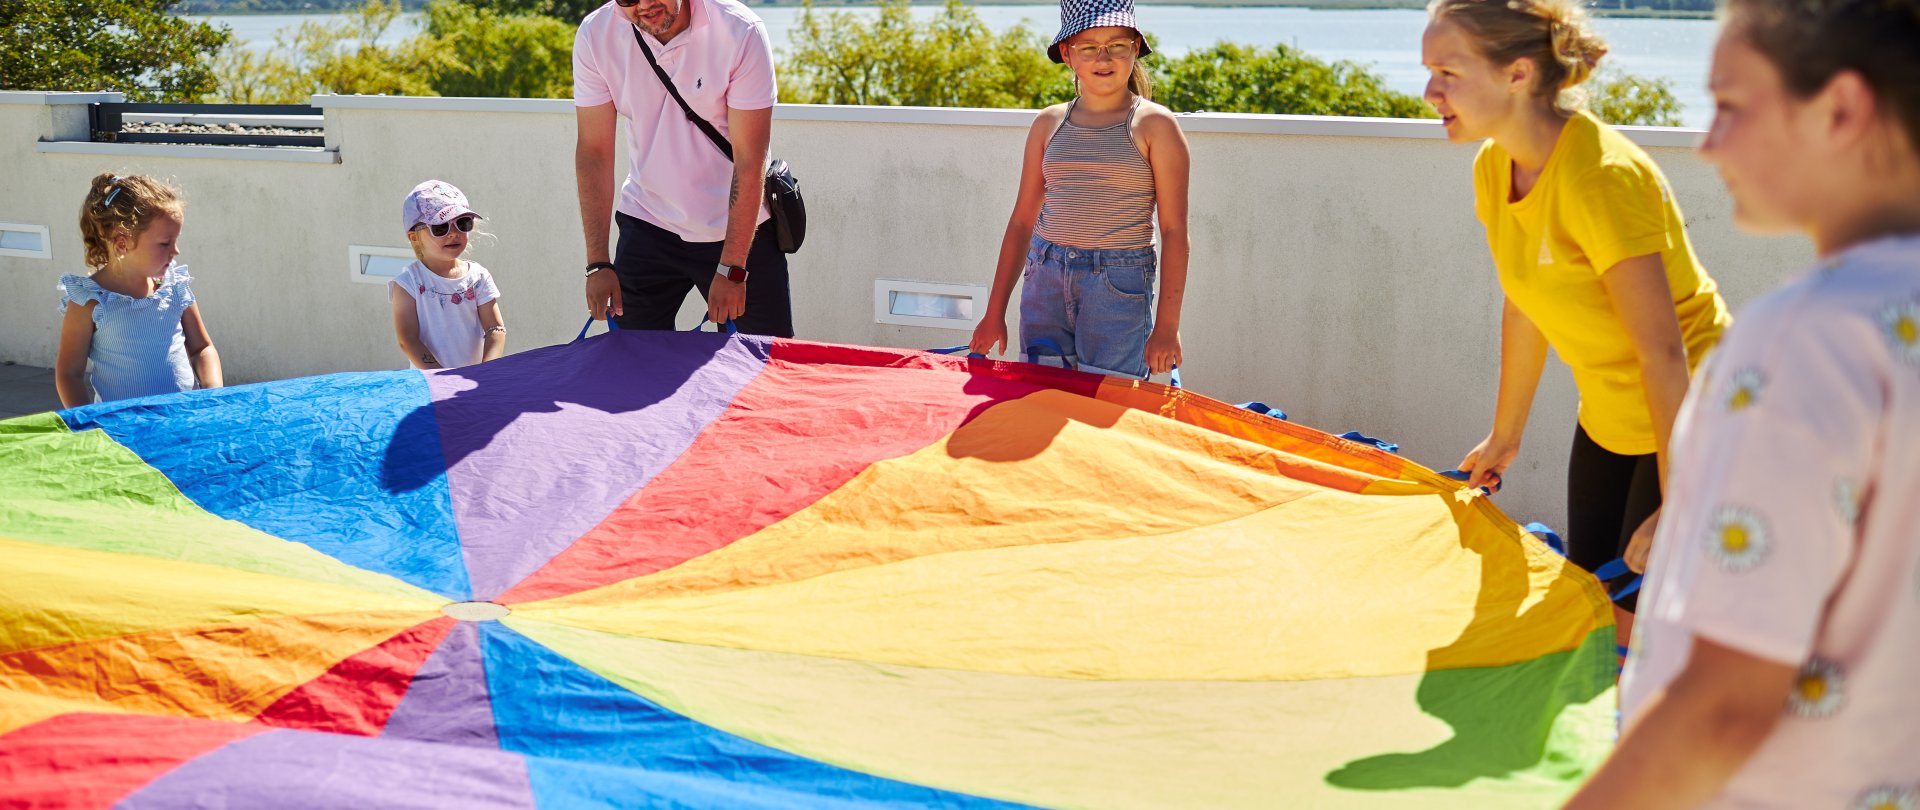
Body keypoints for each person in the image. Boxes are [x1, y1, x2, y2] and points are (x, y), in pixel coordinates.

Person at [1564, 0, 1920, 806]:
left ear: (1841, 108)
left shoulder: (1803, 344)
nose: (1707, 143)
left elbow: (1724, 706)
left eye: (1729, 106)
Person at [1422, 0, 1731, 617]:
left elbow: (1663, 351)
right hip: (1609, 415)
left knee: (1635, 620)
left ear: (1518, 74)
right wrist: (1505, 437)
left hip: (1694, 408)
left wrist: (1681, 502)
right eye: (1429, 72)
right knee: (1593, 605)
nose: (1430, 92)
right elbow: (1525, 306)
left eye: (1448, 73)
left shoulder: (1601, 178)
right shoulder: (1494, 167)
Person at [968, 0, 1190, 380]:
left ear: (1135, 48)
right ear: (1068, 54)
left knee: (1107, 402)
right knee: (1041, 394)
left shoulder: (1156, 125)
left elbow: (1174, 230)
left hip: (1118, 286)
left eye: (1117, 45)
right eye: (1088, 47)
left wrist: (1167, 327)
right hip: (1045, 278)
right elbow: (1022, 222)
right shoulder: (1048, 123)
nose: (1104, 57)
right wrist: (994, 312)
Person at [573, 0, 791, 336]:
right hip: (648, 221)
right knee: (634, 359)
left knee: (761, 359)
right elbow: (594, 152)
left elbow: (750, 161)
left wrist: (733, 268)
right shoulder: (595, 34)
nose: (644, 5)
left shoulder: (740, 30)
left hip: (738, 232)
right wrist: (597, 263)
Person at [55, 173, 221, 407]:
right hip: (123, 425)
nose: (176, 251)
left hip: (181, 418)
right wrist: (87, 423)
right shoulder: (91, 300)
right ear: (123, 243)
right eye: (165, 243)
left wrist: (213, 393)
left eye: (175, 241)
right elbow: (69, 374)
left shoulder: (174, 286)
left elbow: (202, 348)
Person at [390, 180, 506, 370]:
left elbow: (495, 329)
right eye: (440, 227)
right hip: (430, 383)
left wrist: (486, 372)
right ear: (414, 237)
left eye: (462, 223)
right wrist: (444, 379)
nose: (453, 233)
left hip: (475, 382)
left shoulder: (478, 277)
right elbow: (408, 339)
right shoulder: (408, 284)